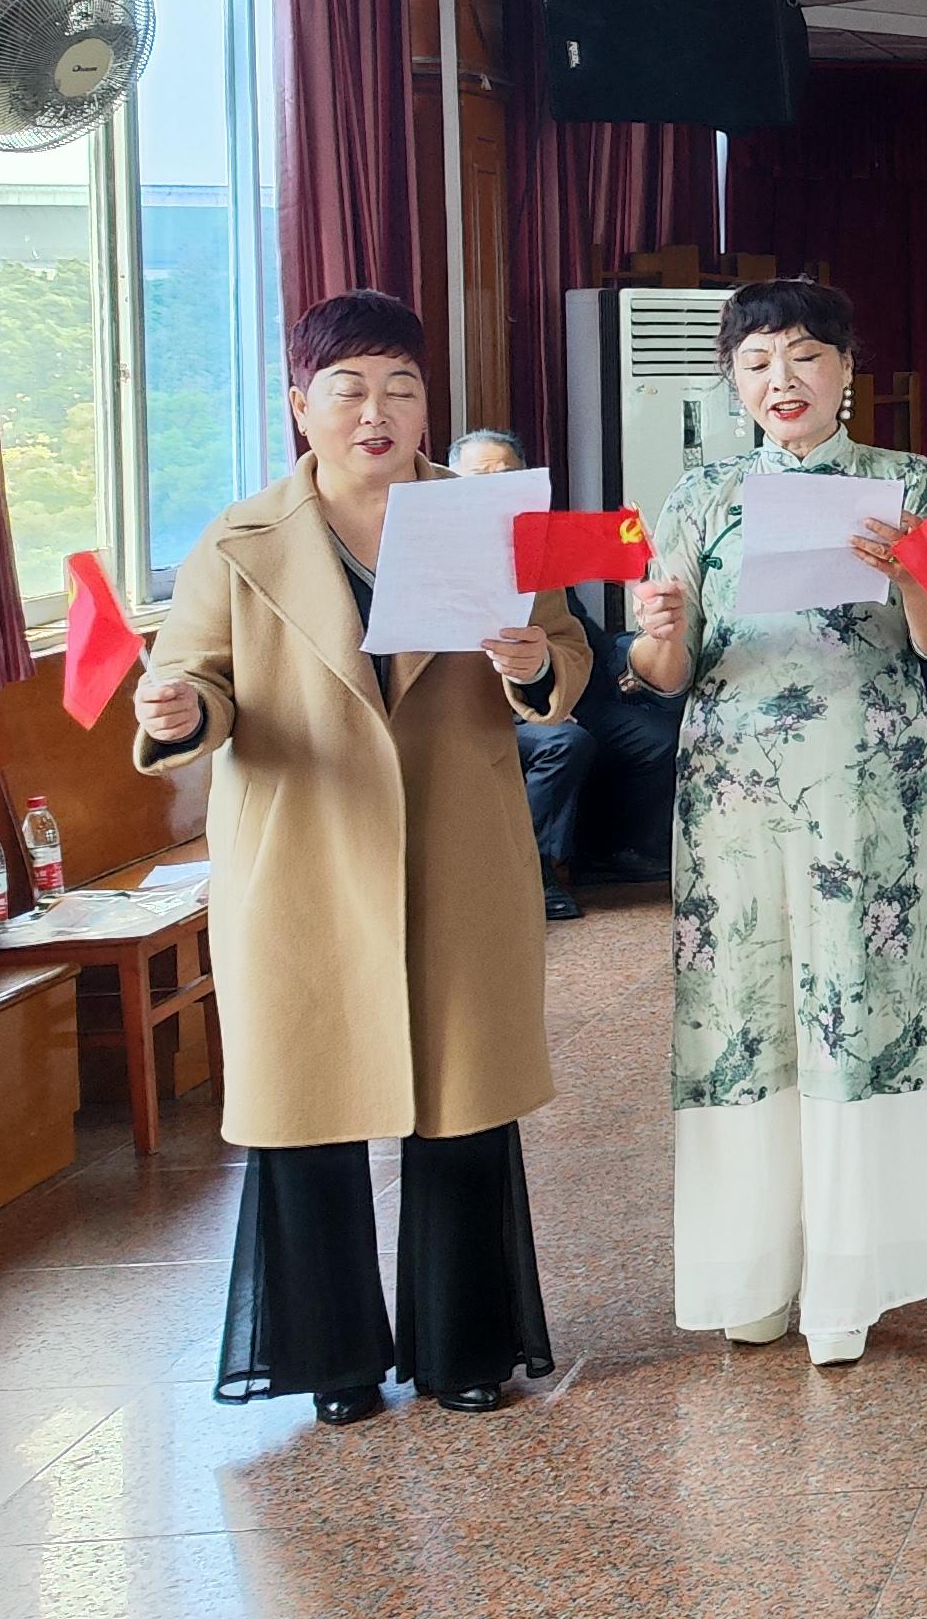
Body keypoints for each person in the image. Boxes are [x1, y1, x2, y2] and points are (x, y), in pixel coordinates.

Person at [131, 291, 588, 1424]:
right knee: (309, 1108)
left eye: (401, 388)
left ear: (428, 407)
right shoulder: (238, 540)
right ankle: (329, 1358)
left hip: (456, 840)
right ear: (301, 405)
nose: (376, 412)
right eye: (349, 389)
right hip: (305, 853)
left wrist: (532, 662)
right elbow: (197, 684)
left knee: (464, 1100)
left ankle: (466, 1346)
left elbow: (566, 651)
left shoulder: (488, 523)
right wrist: (183, 711)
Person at [623, 282, 927, 1368]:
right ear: (733, 381)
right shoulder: (700, 497)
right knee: (745, 1008)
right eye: (759, 361)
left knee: (856, 1003)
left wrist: (912, 572)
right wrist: (659, 629)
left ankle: (852, 1279)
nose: (784, 380)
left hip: (865, 781)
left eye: (807, 355)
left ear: (847, 368)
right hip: (734, 793)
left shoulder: (907, 482)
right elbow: (663, 672)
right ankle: (751, 1270)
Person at [447, 426, 674, 920]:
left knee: (655, 734)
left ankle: (615, 854)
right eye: (478, 479)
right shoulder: (434, 552)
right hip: (472, 709)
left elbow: (573, 631)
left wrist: (613, 672)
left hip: (550, 695)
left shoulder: (535, 543)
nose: (494, 490)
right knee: (564, 744)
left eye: (506, 477)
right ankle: (528, 869)